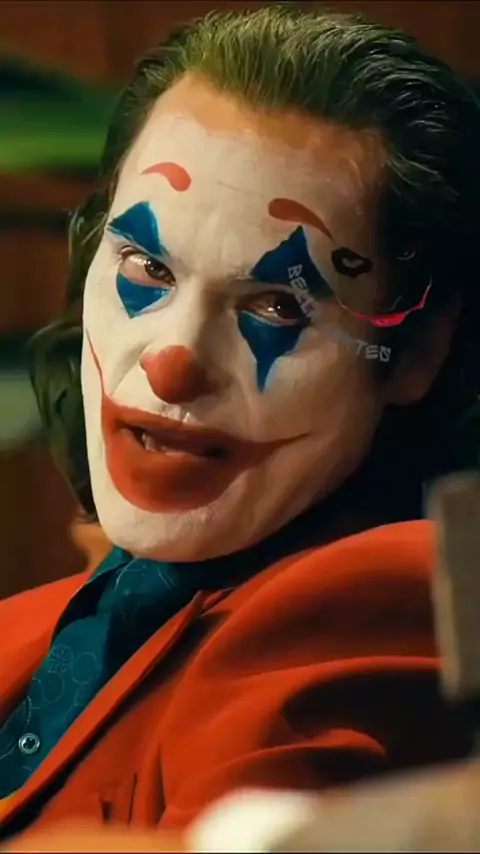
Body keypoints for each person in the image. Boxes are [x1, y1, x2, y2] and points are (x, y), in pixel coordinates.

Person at [1, 3, 480, 849]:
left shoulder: (363, 602)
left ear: (417, 353)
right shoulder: (47, 620)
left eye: (275, 306)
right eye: (146, 267)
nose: (172, 361)